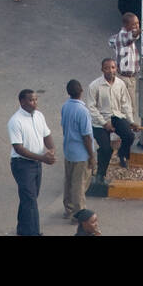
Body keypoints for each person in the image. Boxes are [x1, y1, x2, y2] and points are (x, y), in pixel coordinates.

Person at [9, 88, 55, 236]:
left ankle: (22, 230)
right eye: (31, 100)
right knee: (30, 201)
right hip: (22, 165)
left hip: (36, 163)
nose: (34, 103)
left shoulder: (39, 115)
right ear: (22, 102)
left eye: (36, 99)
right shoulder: (15, 121)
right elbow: (19, 148)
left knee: (30, 198)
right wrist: (43, 158)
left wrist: (51, 149)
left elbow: (46, 134)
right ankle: (33, 232)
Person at [87, 57, 136, 181]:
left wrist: (131, 121)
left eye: (113, 67)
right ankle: (100, 174)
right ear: (102, 70)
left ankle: (122, 154)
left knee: (129, 136)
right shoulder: (94, 86)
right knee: (106, 148)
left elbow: (125, 103)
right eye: (107, 68)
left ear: (117, 68)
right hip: (99, 122)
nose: (110, 70)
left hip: (116, 116)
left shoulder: (120, 84)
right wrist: (104, 124)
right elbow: (91, 108)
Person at [60, 79, 95, 222]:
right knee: (79, 184)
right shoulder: (83, 111)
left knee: (68, 181)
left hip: (69, 151)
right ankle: (78, 213)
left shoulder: (65, 106)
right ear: (81, 91)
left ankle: (68, 209)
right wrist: (91, 156)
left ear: (68, 93)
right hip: (81, 154)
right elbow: (86, 136)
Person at [108, 12, 141, 126]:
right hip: (125, 78)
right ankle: (126, 130)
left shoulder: (122, 36)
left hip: (129, 78)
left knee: (128, 106)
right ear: (126, 25)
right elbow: (134, 35)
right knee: (128, 108)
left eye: (138, 23)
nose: (137, 26)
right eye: (134, 24)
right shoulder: (123, 36)